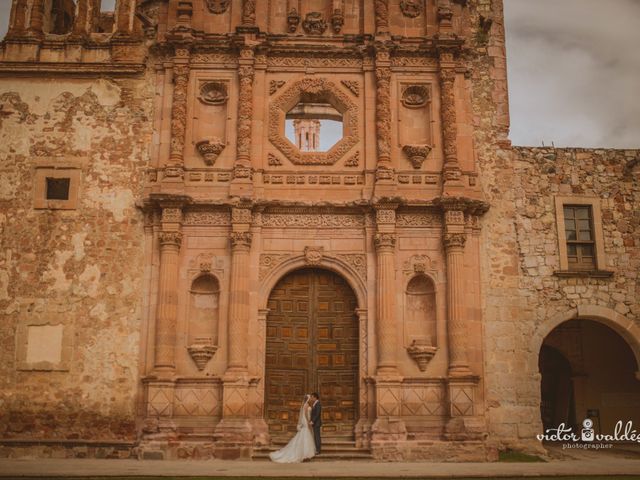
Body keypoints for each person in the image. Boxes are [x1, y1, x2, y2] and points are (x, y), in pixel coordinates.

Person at [269, 394, 316, 463]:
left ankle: (305, 454)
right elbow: (305, 414)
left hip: (306, 421)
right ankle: (305, 454)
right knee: (305, 435)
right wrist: (308, 422)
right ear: (307, 399)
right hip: (306, 421)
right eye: (309, 398)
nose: (310, 399)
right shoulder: (306, 405)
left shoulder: (306, 405)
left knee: (304, 436)